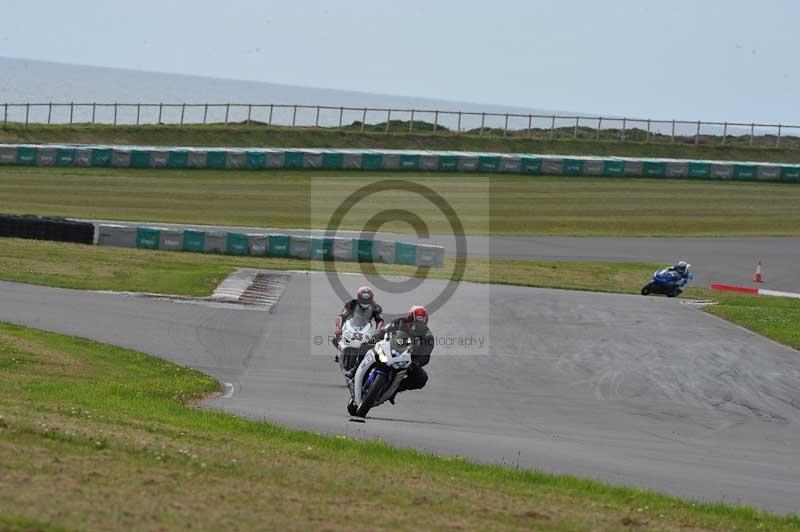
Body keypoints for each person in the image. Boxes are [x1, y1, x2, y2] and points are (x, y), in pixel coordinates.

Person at [373, 305, 433, 403]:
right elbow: (384, 330)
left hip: (407, 360)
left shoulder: (427, 336)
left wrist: (415, 363)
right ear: (409, 319)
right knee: (369, 346)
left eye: (421, 324)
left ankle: (395, 389)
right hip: (390, 350)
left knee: (422, 379)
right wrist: (376, 336)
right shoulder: (400, 322)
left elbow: (426, 355)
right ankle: (355, 369)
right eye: (415, 323)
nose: (417, 326)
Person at [333, 286, 384, 368]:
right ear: (358, 297)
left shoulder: (376, 307)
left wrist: (378, 331)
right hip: (352, 324)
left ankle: (368, 357)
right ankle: (339, 350)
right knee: (336, 337)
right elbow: (341, 316)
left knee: (373, 342)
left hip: (366, 327)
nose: (365, 302)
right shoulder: (351, 303)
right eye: (363, 300)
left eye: (367, 300)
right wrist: (338, 328)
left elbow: (380, 321)